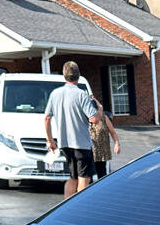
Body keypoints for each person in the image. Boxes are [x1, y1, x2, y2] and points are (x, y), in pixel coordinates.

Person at [44, 61, 100, 197]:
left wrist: (50, 141)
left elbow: (47, 118)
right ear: (79, 76)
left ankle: (66, 206)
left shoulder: (55, 94)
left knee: (73, 177)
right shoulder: (81, 95)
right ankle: (80, 210)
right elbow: (94, 119)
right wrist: (98, 109)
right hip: (82, 144)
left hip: (64, 144)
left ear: (64, 76)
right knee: (84, 179)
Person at [89, 98, 121, 180]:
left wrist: (117, 144)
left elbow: (113, 132)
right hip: (89, 151)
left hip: (102, 151)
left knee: (102, 175)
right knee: (87, 176)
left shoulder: (104, 117)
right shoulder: (83, 118)